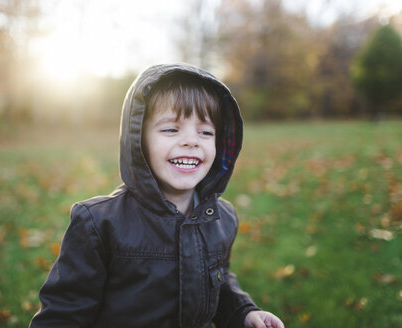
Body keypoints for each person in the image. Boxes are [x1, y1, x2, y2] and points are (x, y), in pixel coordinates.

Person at [29, 63, 284, 328]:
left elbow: (219, 283)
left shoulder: (223, 218)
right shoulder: (99, 224)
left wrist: (244, 312)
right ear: (139, 140)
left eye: (205, 132)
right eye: (171, 129)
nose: (191, 141)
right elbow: (64, 314)